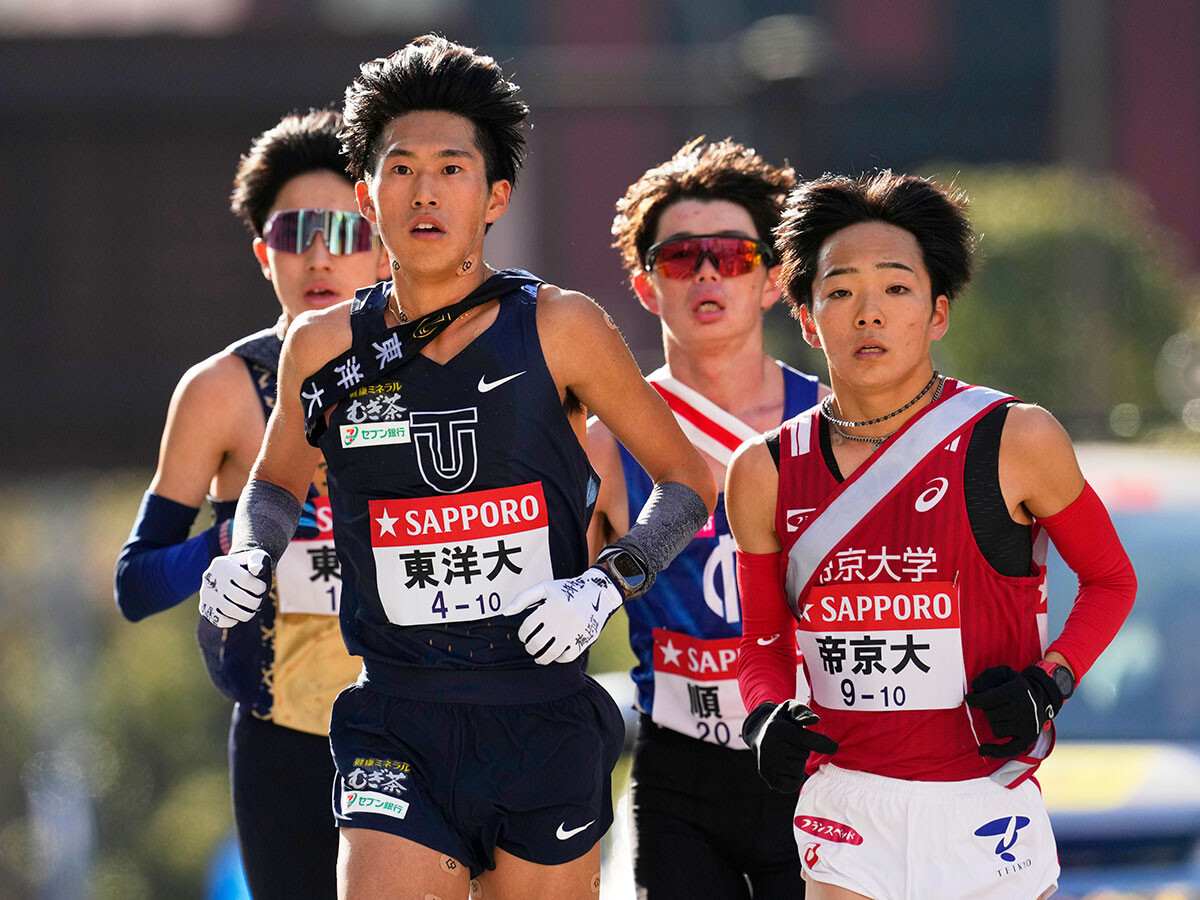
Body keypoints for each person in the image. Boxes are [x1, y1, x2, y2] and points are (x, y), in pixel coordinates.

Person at [198, 36, 715, 900]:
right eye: (400, 169)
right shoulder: (321, 346)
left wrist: (606, 583)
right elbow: (276, 482)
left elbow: (686, 482)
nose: (425, 191)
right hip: (395, 716)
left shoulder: (562, 326)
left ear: (495, 197)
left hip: (541, 715)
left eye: (451, 168)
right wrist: (249, 552)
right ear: (368, 195)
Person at [727, 171, 1137, 900]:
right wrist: (764, 715)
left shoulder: (1016, 438)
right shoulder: (761, 473)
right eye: (841, 289)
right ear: (807, 316)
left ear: (938, 313)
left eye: (896, 288)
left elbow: (1111, 580)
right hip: (845, 809)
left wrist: (1051, 682)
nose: (869, 314)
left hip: (983, 806)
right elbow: (762, 643)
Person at [114, 109, 391, 897]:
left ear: (381, 244)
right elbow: (135, 584)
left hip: (424, 718)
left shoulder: (438, 372)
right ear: (261, 250)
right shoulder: (220, 393)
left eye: (344, 232)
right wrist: (232, 539)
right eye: (294, 231)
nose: (317, 255)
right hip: (285, 738)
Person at [591, 137, 822, 898]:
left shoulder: (831, 423)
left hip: (817, 757)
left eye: (734, 254)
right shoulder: (606, 437)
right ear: (645, 285)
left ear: (772, 279)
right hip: (679, 769)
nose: (710, 274)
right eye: (682, 258)